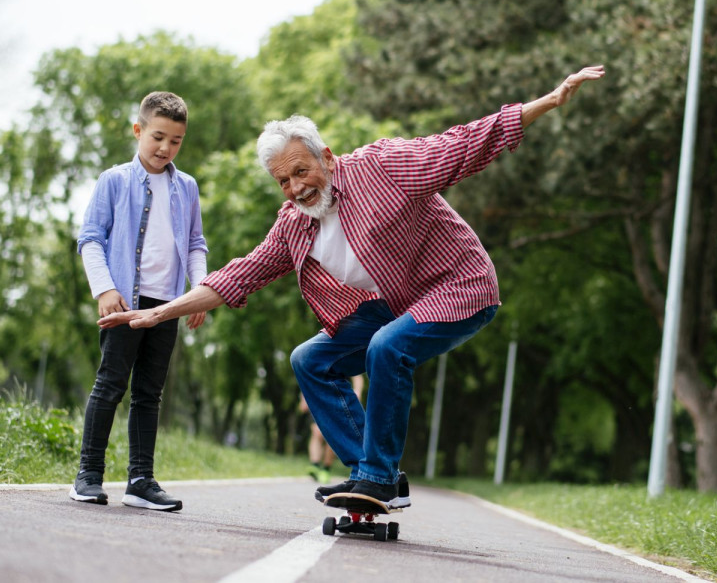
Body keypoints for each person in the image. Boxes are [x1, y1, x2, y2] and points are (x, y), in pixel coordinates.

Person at [97, 66, 606, 508]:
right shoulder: (293, 224)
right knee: (309, 360)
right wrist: (155, 314)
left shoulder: (381, 168)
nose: (297, 187)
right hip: (394, 304)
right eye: (284, 181)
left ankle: (377, 476)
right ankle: (378, 474)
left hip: (460, 286)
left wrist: (547, 102)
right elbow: (238, 275)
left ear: (327, 155)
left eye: (302, 171)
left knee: (388, 346)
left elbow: (461, 145)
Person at [69, 91, 209, 512]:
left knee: (150, 394)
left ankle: (140, 480)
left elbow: (195, 243)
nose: (166, 148)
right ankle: (89, 475)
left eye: (176, 141)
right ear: (138, 130)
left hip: (166, 304)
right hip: (125, 301)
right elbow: (90, 238)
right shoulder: (114, 180)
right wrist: (104, 288)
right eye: (158, 137)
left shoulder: (186, 187)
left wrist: (200, 289)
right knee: (110, 384)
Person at [301, 374, 364, 484]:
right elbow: (306, 374)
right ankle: (314, 465)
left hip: (337, 398)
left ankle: (326, 468)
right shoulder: (315, 358)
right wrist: (303, 397)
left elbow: (357, 376)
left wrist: (357, 391)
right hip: (318, 398)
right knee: (316, 431)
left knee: (332, 435)